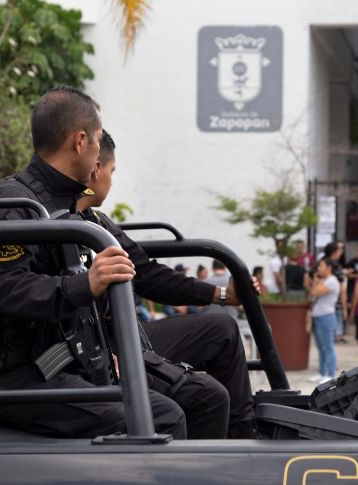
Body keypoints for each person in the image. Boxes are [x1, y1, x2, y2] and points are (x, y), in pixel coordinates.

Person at [0, 89, 253, 441]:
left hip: (66, 356)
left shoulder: (71, 208)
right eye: (98, 141)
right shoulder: (15, 205)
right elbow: (5, 290)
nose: (100, 154)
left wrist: (219, 294)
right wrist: (87, 284)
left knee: (203, 397)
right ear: (80, 142)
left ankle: (241, 451)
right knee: (164, 417)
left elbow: (142, 272)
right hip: (15, 375)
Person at [77, 128, 259, 438]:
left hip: (127, 337)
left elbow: (148, 274)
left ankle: (243, 435)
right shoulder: (55, 222)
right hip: (97, 347)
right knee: (207, 396)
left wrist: (223, 295)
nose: (111, 179)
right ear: (96, 169)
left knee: (222, 328)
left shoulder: (98, 224)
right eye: (112, 171)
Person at [305, 258, 340, 384]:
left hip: (326, 317)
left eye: (321, 266)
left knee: (328, 347)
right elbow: (310, 294)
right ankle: (321, 372)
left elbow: (315, 292)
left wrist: (313, 281)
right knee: (321, 348)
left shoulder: (332, 281)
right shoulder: (323, 280)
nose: (318, 269)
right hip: (317, 317)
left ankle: (330, 374)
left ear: (329, 268)